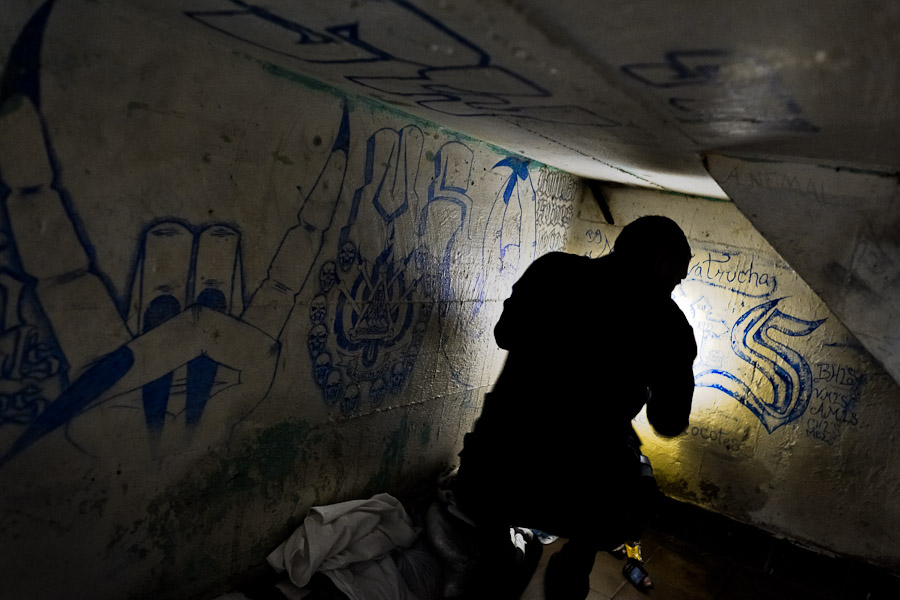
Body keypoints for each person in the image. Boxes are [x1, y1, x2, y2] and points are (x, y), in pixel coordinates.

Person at [452, 215, 697, 600]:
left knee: (501, 447)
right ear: (663, 262)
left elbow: (504, 334)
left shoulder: (552, 269)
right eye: (676, 278)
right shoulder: (671, 327)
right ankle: (576, 561)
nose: (674, 288)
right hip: (578, 497)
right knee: (639, 480)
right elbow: (668, 422)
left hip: (490, 475)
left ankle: (498, 550)